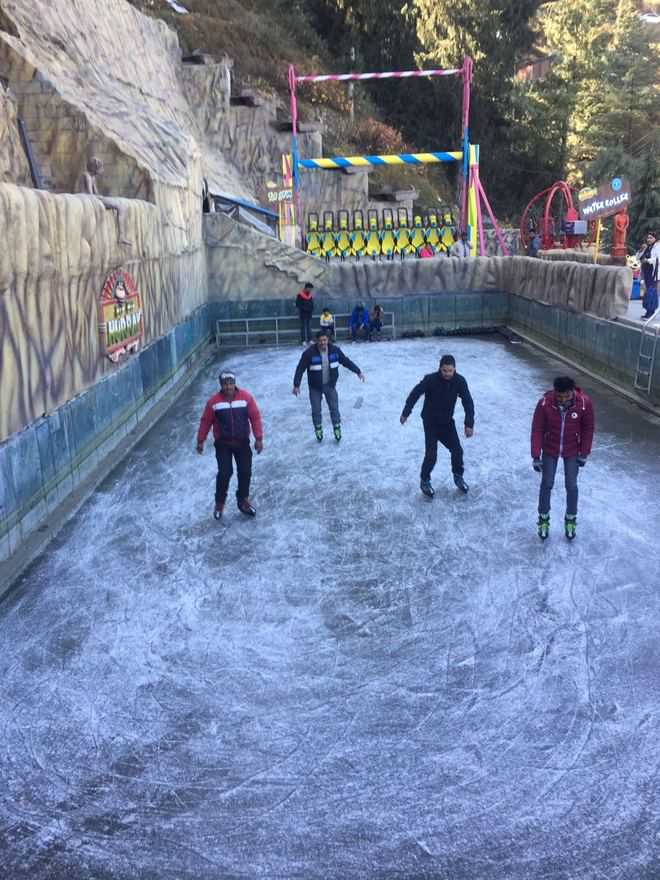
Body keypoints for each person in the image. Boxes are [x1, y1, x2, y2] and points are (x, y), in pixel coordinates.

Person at [400, 354, 474, 497]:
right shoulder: (430, 380)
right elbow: (415, 394)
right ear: (440, 369)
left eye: (450, 371)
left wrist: (469, 423)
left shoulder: (459, 381)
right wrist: (406, 412)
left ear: (454, 369)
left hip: (447, 423)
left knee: (457, 451)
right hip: (431, 423)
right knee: (431, 455)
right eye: (444, 370)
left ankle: (458, 477)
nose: (447, 374)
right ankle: (425, 480)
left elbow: (468, 401)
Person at [531, 376, 594, 541]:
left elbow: (588, 429)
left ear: (572, 392)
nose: (563, 400)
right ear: (554, 392)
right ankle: (543, 519)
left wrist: (584, 453)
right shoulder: (545, 403)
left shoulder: (584, 404)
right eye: (559, 396)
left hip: (572, 450)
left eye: (566, 396)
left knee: (571, 486)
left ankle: (571, 520)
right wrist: (536, 455)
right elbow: (537, 428)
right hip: (550, 449)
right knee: (547, 483)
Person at [196, 370, 263, 519]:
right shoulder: (214, 402)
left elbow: (255, 417)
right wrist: (201, 440)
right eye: (225, 384)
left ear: (235, 384)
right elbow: (205, 421)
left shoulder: (246, 398)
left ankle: (243, 500)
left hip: (242, 442)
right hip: (223, 444)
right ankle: (219, 503)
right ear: (221, 386)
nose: (228, 387)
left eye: (231, 383)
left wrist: (258, 438)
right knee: (225, 473)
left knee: (245, 471)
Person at [292, 328, 365, 442]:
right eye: (320, 341)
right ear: (317, 341)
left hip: (330, 385)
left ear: (328, 340)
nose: (323, 343)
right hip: (315, 387)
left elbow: (345, 361)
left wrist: (358, 371)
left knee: (334, 408)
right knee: (316, 410)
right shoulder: (309, 353)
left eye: (325, 340)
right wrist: (296, 385)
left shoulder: (335, 351)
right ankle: (318, 428)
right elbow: (300, 369)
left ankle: (337, 428)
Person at [636, 231, 659, 320]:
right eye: (648, 238)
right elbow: (638, 257)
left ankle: (651, 312)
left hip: (653, 273)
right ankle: (647, 311)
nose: (648, 239)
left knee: (651, 292)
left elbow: (658, 259)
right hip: (646, 273)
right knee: (647, 293)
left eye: (650, 238)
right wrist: (641, 250)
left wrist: (648, 260)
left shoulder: (657, 247)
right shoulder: (647, 247)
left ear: (655, 238)